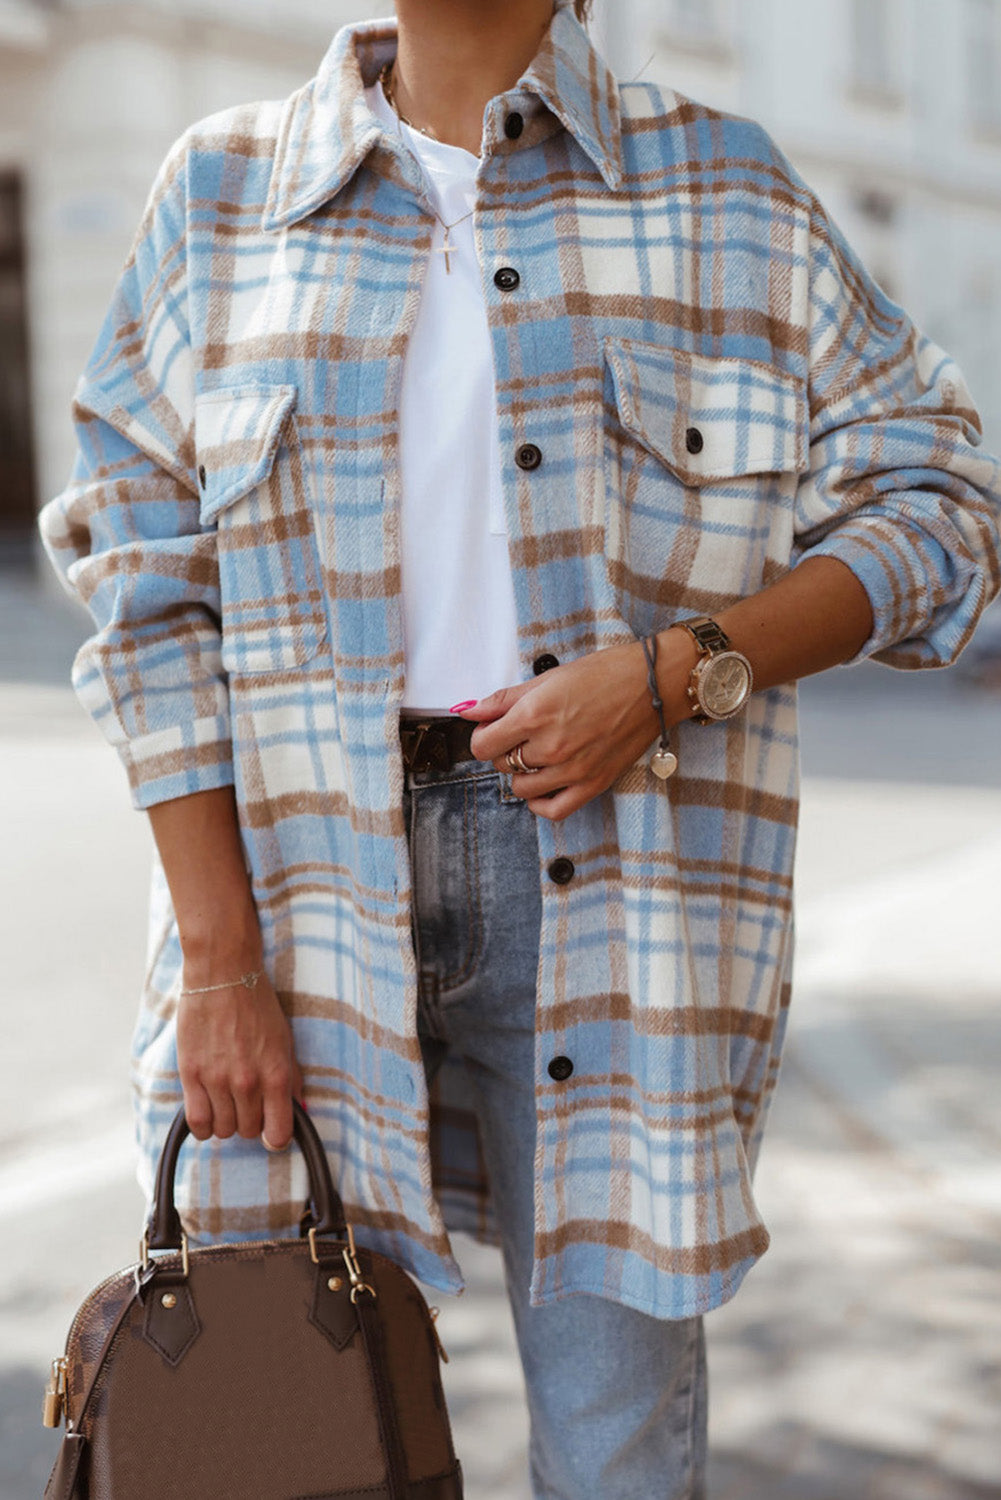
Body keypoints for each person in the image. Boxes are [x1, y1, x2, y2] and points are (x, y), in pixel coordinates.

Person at [38, 1, 1001, 1495]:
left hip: (622, 891)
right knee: (275, 1431)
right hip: (291, 903)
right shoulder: (219, 192)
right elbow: (142, 587)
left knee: (612, 1443)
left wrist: (679, 675)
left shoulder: (723, 189)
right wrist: (222, 961)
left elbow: (944, 507)